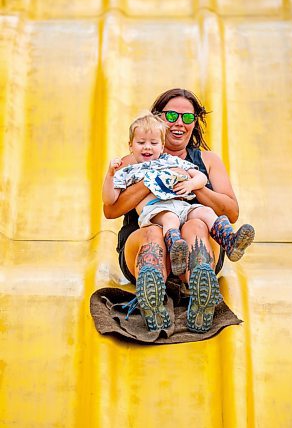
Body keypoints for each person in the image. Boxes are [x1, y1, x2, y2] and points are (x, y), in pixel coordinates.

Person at [103, 88, 253, 334]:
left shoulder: (207, 160)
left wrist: (190, 183)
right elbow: (110, 210)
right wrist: (153, 179)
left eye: (188, 117)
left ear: (195, 122)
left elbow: (232, 212)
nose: (179, 123)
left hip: (196, 242)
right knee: (154, 233)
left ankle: (200, 289)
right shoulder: (132, 162)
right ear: (157, 119)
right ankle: (152, 292)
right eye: (171, 116)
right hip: (143, 244)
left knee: (196, 225)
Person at [102, 113, 255, 280]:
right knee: (170, 220)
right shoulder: (128, 169)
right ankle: (177, 252)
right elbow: (109, 202)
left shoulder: (171, 161)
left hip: (182, 206)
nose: (147, 147)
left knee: (204, 213)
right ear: (131, 145)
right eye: (141, 143)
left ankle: (230, 241)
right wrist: (110, 176)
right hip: (156, 209)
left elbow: (200, 177)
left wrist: (190, 184)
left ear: (162, 146)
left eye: (153, 143)